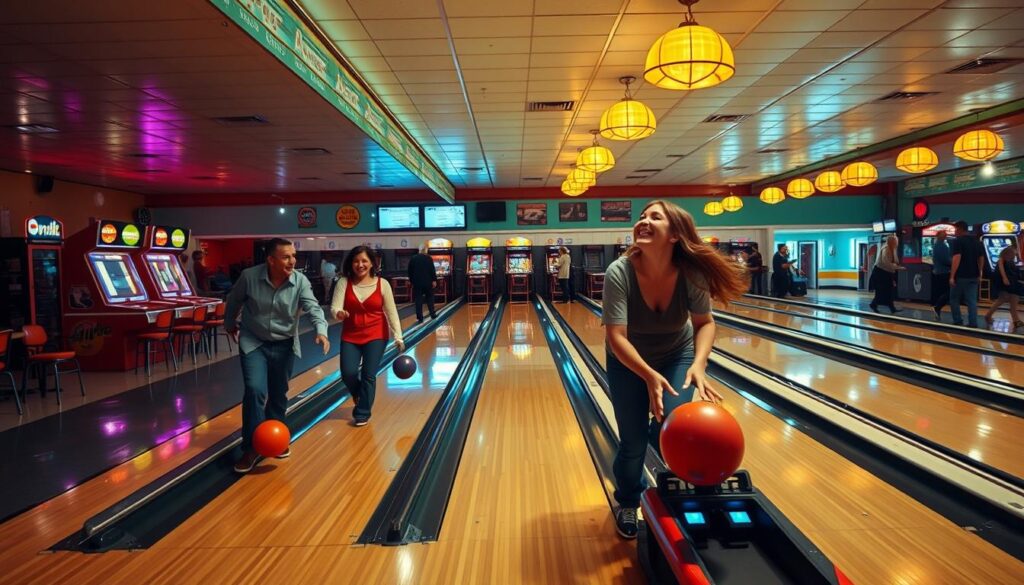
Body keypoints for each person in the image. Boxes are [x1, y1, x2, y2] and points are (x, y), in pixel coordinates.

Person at [602, 200, 747, 539]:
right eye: (642, 216)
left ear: (675, 236)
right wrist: (649, 375)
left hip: (676, 353)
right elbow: (616, 337)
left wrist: (698, 364)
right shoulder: (618, 272)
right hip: (628, 360)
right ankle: (627, 500)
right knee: (633, 442)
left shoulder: (691, 273)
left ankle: (677, 478)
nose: (644, 221)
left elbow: (705, 323)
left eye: (655, 217)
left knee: (674, 425)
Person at [225, 238, 329, 474]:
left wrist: (321, 331)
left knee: (278, 392)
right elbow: (234, 300)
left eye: (294, 256)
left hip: (284, 343)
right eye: (286, 257)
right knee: (254, 389)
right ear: (270, 260)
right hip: (254, 341)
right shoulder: (250, 277)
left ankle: (275, 439)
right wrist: (229, 323)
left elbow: (313, 307)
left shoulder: (299, 281)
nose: (292, 261)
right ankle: (251, 448)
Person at [332, 246, 404, 427]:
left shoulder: (383, 284)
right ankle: (360, 394)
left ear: (372, 263)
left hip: (376, 334)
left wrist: (398, 336)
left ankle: (362, 412)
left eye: (364, 261)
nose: (360, 264)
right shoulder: (343, 282)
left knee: (368, 374)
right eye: (356, 261)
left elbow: (391, 311)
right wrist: (339, 313)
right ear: (351, 263)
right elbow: (335, 307)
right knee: (348, 373)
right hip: (350, 334)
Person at [949, 220, 985, 328]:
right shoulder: (976, 241)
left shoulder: (958, 241)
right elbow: (981, 257)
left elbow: (957, 258)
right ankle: (973, 323)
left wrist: (952, 276)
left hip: (961, 276)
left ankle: (958, 321)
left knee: (954, 298)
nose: (955, 232)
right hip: (974, 275)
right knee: (972, 301)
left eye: (955, 229)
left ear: (960, 229)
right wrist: (980, 272)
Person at [983, 246, 1023, 329]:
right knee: (1003, 299)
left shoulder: (1010, 261)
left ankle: (1016, 320)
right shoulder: (1002, 260)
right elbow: (1001, 268)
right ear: (1008, 253)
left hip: (1012, 283)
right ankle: (988, 315)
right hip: (1005, 283)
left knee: (1014, 299)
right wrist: (1005, 278)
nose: (1015, 254)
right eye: (1014, 253)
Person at [869, 235, 905, 313]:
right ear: (892, 242)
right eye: (896, 241)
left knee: (888, 291)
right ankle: (874, 304)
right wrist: (898, 267)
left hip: (885, 272)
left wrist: (896, 266)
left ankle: (891, 308)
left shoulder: (891, 248)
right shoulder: (886, 249)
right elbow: (886, 262)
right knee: (883, 291)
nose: (897, 243)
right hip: (880, 273)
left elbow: (893, 261)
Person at [407, 246, 437, 322]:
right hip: (428, 282)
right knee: (430, 298)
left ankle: (420, 317)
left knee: (418, 299)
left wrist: (411, 281)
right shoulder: (428, 258)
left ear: (419, 251)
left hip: (417, 282)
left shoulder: (413, 258)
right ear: (425, 251)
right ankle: (432, 314)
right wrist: (434, 280)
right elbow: (432, 270)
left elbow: (410, 271)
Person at [930, 230, 952, 321]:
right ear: (939, 236)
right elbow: (946, 260)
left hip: (937, 272)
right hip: (944, 272)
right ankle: (937, 307)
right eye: (944, 235)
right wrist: (954, 263)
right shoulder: (943, 246)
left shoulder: (936, 245)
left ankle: (937, 307)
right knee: (949, 292)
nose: (946, 236)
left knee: (942, 292)